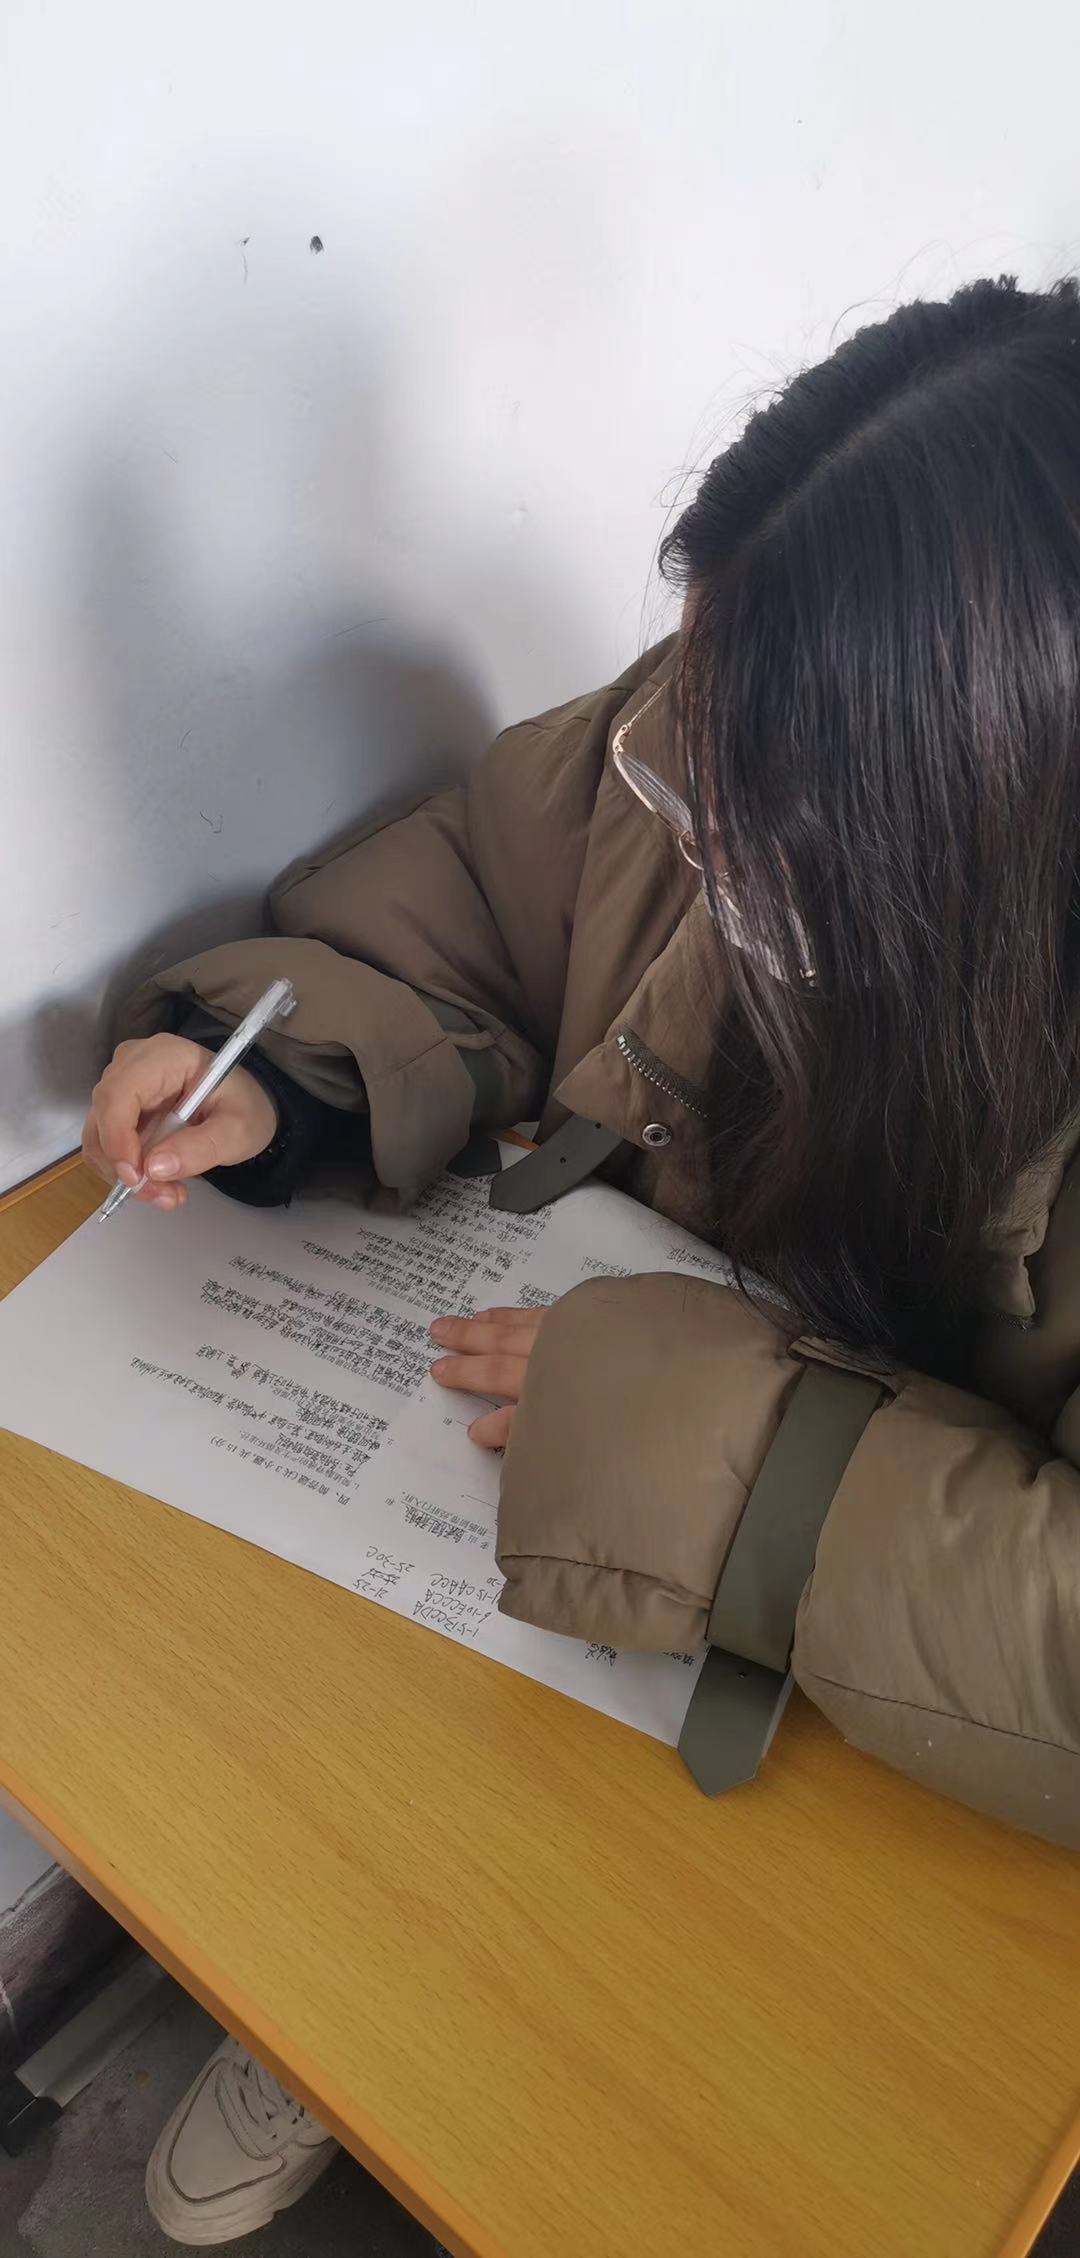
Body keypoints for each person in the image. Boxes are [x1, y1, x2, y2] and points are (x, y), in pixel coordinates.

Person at [83, 274, 1080, 2245]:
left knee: (720, 2096)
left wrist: (692, 1447)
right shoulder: (700, 731)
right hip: (548, 1519)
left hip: (897, 1713)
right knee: (363, 1731)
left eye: (765, 795)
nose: (692, 813)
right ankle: (372, 1967)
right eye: (695, 711)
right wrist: (279, 1070)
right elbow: (473, 884)